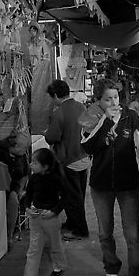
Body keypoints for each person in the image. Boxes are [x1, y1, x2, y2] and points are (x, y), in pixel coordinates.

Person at [80, 78, 139, 276]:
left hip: (128, 183)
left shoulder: (131, 117)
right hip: (101, 184)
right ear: (98, 101)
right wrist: (106, 122)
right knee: (105, 232)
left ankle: (137, 275)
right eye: (107, 98)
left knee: (132, 232)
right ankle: (111, 268)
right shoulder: (92, 119)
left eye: (116, 97)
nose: (113, 102)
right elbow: (88, 147)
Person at [44, 79, 90, 241]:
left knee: (71, 197)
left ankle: (80, 229)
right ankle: (71, 223)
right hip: (83, 157)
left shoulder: (58, 113)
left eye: (52, 97)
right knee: (78, 195)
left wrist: (46, 132)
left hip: (68, 159)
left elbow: (52, 137)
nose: (52, 100)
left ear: (56, 95)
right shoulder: (81, 107)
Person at [16, 148, 68, 276]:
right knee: (34, 248)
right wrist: (27, 208)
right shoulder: (34, 178)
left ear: (45, 166)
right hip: (35, 216)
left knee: (55, 244)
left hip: (51, 217)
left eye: (34, 163)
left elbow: (65, 197)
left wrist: (54, 212)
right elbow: (29, 195)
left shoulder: (57, 179)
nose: (31, 165)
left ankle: (59, 266)